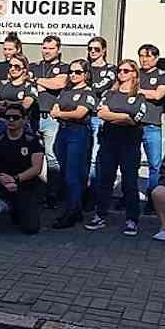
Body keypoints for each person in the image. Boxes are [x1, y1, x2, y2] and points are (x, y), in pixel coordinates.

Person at [87, 59, 147, 235]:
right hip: (108, 143)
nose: (121, 73)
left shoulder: (139, 96)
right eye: (120, 70)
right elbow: (101, 113)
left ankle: (132, 220)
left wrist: (113, 115)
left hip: (129, 145)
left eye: (126, 71)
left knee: (129, 183)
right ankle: (100, 215)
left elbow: (133, 120)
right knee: (105, 180)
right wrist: (122, 116)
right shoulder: (109, 94)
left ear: (134, 74)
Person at [0, 103, 45, 235]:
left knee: (31, 228)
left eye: (15, 117)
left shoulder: (32, 141)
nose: (10, 120)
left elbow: (36, 168)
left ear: (25, 120)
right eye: (7, 117)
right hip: (1, 179)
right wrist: (2, 178)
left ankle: (16, 209)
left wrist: (16, 179)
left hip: (24, 181)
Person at [48, 59, 96, 229]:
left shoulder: (88, 92)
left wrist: (61, 113)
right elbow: (54, 109)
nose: (73, 75)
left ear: (86, 74)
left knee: (73, 174)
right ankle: (74, 207)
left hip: (78, 133)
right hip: (63, 131)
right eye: (71, 72)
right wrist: (63, 113)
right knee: (65, 172)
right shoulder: (66, 90)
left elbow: (79, 113)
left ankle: (72, 211)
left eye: (78, 72)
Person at [28, 35, 68, 207]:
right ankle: (33, 193)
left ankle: (54, 194)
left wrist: (38, 81)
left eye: (51, 48)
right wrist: (46, 84)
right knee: (31, 155)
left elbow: (59, 84)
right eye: (44, 48)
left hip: (52, 119)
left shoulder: (65, 67)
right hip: (32, 117)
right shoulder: (33, 66)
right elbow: (27, 83)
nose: (47, 51)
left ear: (58, 49)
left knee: (52, 158)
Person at [137, 44, 165, 213]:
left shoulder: (163, 75)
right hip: (132, 125)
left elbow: (158, 94)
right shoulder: (133, 73)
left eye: (148, 56)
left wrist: (136, 91)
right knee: (130, 163)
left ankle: (152, 200)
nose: (144, 59)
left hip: (152, 125)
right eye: (141, 55)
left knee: (155, 165)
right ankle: (127, 196)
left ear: (156, 58)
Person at [86, 36, 116, 194]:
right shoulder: (83, 67)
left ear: (104, 50)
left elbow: (99, 87)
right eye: (90, 49)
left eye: (96, 49)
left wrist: (84, 87)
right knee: (81, 157)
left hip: (98, 117)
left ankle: (94, 194)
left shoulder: (111, 69)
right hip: (82, 117)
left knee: (94, 158)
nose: (92, 52)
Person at [0, 53, 37, 137]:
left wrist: (5, 103)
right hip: (2, 123)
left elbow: (25, 105)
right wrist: (16, 103)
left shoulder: (29, 85)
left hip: (21, 124)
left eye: (17, 67)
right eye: (10, 66)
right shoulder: (2, 84)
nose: (13, 69)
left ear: (24, 69)